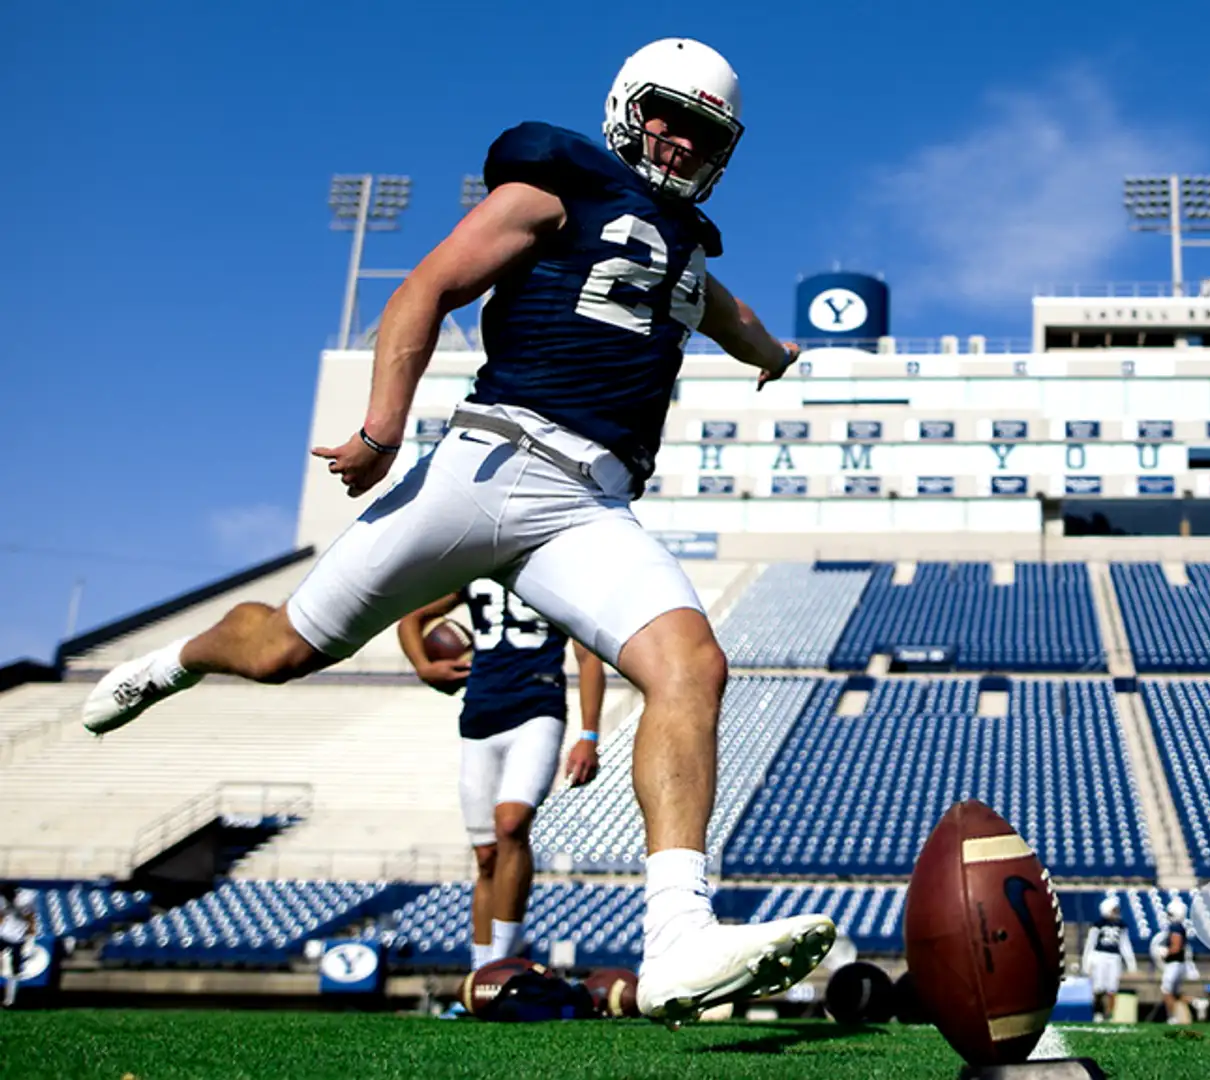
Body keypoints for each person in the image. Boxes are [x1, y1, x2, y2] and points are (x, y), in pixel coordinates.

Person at [79, 37, 833, 1025]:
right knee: (282, 652)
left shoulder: (686, 252)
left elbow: (726, 315)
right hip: (489, 466)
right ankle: (176, 659)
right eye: (668, 114)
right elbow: (425, 287)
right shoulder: (555, 188)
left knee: (693, 665)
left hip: (592, 506)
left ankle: (680, 936)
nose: (680, 140)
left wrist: (774, 353)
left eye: (703, 130)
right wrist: (384, 429)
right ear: (623, 107)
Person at [397, 580, 605, 970]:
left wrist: (588, 735)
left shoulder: (554, 572)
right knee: (487, 856)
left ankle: (501, 964)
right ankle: (481, 972)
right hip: (479, 715)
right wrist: (425, 668)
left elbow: (588, 656)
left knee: (511, 824)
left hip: (537, 707)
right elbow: (411, 619)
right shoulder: (474, 568)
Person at [1082, 895, 1136, 1022]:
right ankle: (1098, 1012)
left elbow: (1125, 944)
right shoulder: (1098, 924)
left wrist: (1131, 963)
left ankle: (1109, 1015)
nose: (1116, 912)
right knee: (1098, 987)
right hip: (1099, 956)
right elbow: (1090, 943)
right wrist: (1086, 962)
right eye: (1114, 909)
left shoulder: (1121, 925)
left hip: (1114, 957)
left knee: (1112, 988)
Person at [1150, 898, 1198, 1024]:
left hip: (1174, 964)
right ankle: (1196, 1002)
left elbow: (1176, 947)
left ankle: (1172, 1017)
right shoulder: (1180, 926)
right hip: (1180, 963)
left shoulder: (1175, 927)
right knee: (1175, 993)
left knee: (1166, 991)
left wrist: (1164, 952)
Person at [0, 886, 36, 1008]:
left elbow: (30, 919)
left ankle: (10, 1000)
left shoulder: (25, 902)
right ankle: (9, 999)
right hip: (4, 935)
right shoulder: (4, 902)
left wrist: (30, 936)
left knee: (15, 970)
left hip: (17, 938)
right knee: (12, 968)